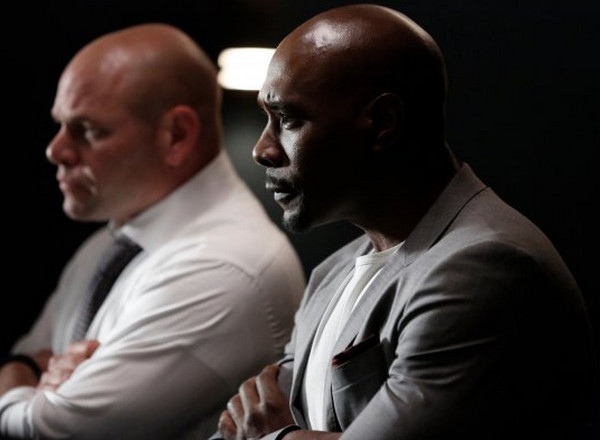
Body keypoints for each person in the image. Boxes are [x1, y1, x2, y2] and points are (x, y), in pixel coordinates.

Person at [212, 4, 596, 440]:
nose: (262, 149)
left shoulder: (483, 267)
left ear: (383, 123)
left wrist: (278, 436)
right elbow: (240, 426)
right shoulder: (332, 273)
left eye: (287, 119)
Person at [0, 23, 306, 439]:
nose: (56, 150)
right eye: (60, 124)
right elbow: (32, 360)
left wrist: (17, 372)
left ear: (177, 135)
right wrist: (27, 371)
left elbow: (49, 430)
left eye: (87, 129)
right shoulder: (109, 244)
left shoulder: (222, 267)